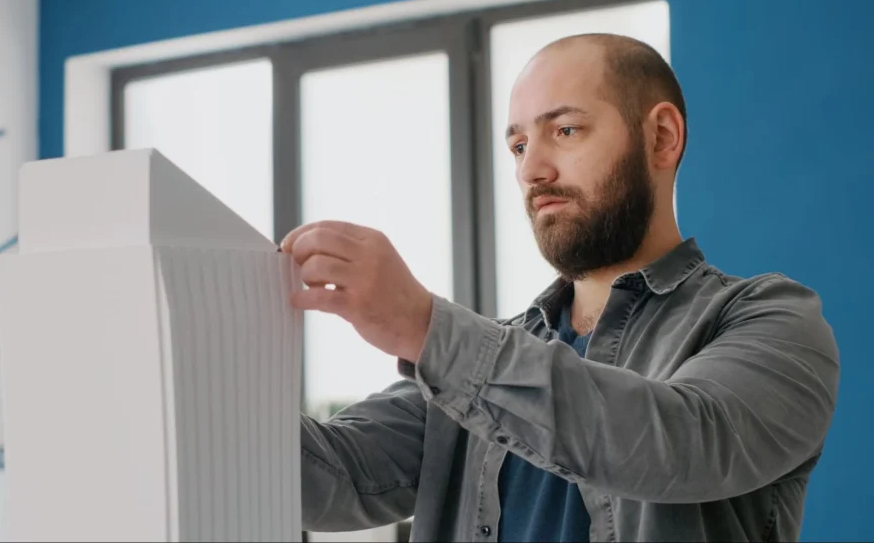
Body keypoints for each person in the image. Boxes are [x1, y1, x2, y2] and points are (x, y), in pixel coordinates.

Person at [280, 33, 839, 542]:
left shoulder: (772, 319)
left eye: (565, 130)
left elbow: (681, 444)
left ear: (662, 138)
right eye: (520, 145)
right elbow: (331, 478)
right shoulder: (472, 363)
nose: (531, 170)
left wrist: (427, 328)